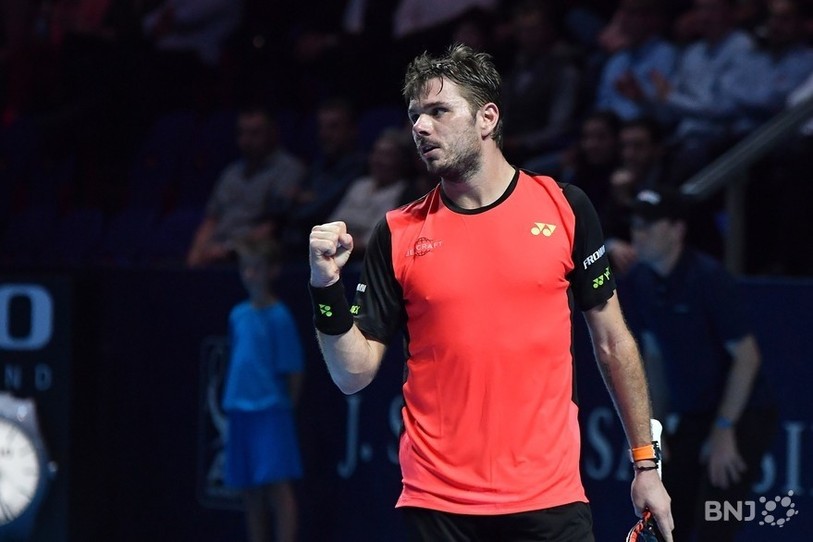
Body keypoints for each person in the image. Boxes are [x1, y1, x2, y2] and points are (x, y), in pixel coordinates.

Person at [307, 44, 673, 541]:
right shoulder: (397, 231)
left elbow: (613, 343)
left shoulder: (564, 207)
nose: (420, 127)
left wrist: (645, 465)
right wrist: (326, 287)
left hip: (550, 500)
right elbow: (352, 373)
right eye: (415, 115)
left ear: (487, 118)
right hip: (438, 506)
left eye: (438, 111)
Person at [623, 187, 777, 542]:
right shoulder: (641, 282)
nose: (639, 234)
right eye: (635, 225)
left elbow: (747, 357)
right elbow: (656, 359)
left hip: (742, 415)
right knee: (666, 518)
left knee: (715, 525)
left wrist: (724, 431)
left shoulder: (709, 278)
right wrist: (654, 431)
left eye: (649, 225)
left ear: (677, 230)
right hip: (694, 415)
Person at [222, 235, 305, 542]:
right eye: (245, 268)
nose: (249, 275)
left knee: (278, 488)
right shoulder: (238, 314)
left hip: (271, 413)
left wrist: (282, 409)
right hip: (238, 411)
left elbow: (294, 372)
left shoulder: (280, 317)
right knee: (249, 491)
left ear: (273, 271)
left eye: (256, 268)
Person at [186, 105, 306, 268]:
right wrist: (196, 255)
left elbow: (273, 227)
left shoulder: (289, 169)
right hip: (215, 255)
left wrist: (227, 250)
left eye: (255, 133)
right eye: (242, 133)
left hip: (252, 259)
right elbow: (211, 220)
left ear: (273, 133)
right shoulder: (231, 172)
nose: (246, 140)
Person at [327, 127, 416, 259]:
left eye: (387, 155)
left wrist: (347, 242)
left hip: (367, 260)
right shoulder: (359, 184)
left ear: (402, 161)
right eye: (376, 153)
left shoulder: (405, 192)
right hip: (337, 250)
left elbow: (375, 240)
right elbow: (333, 224)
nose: (378, 161)